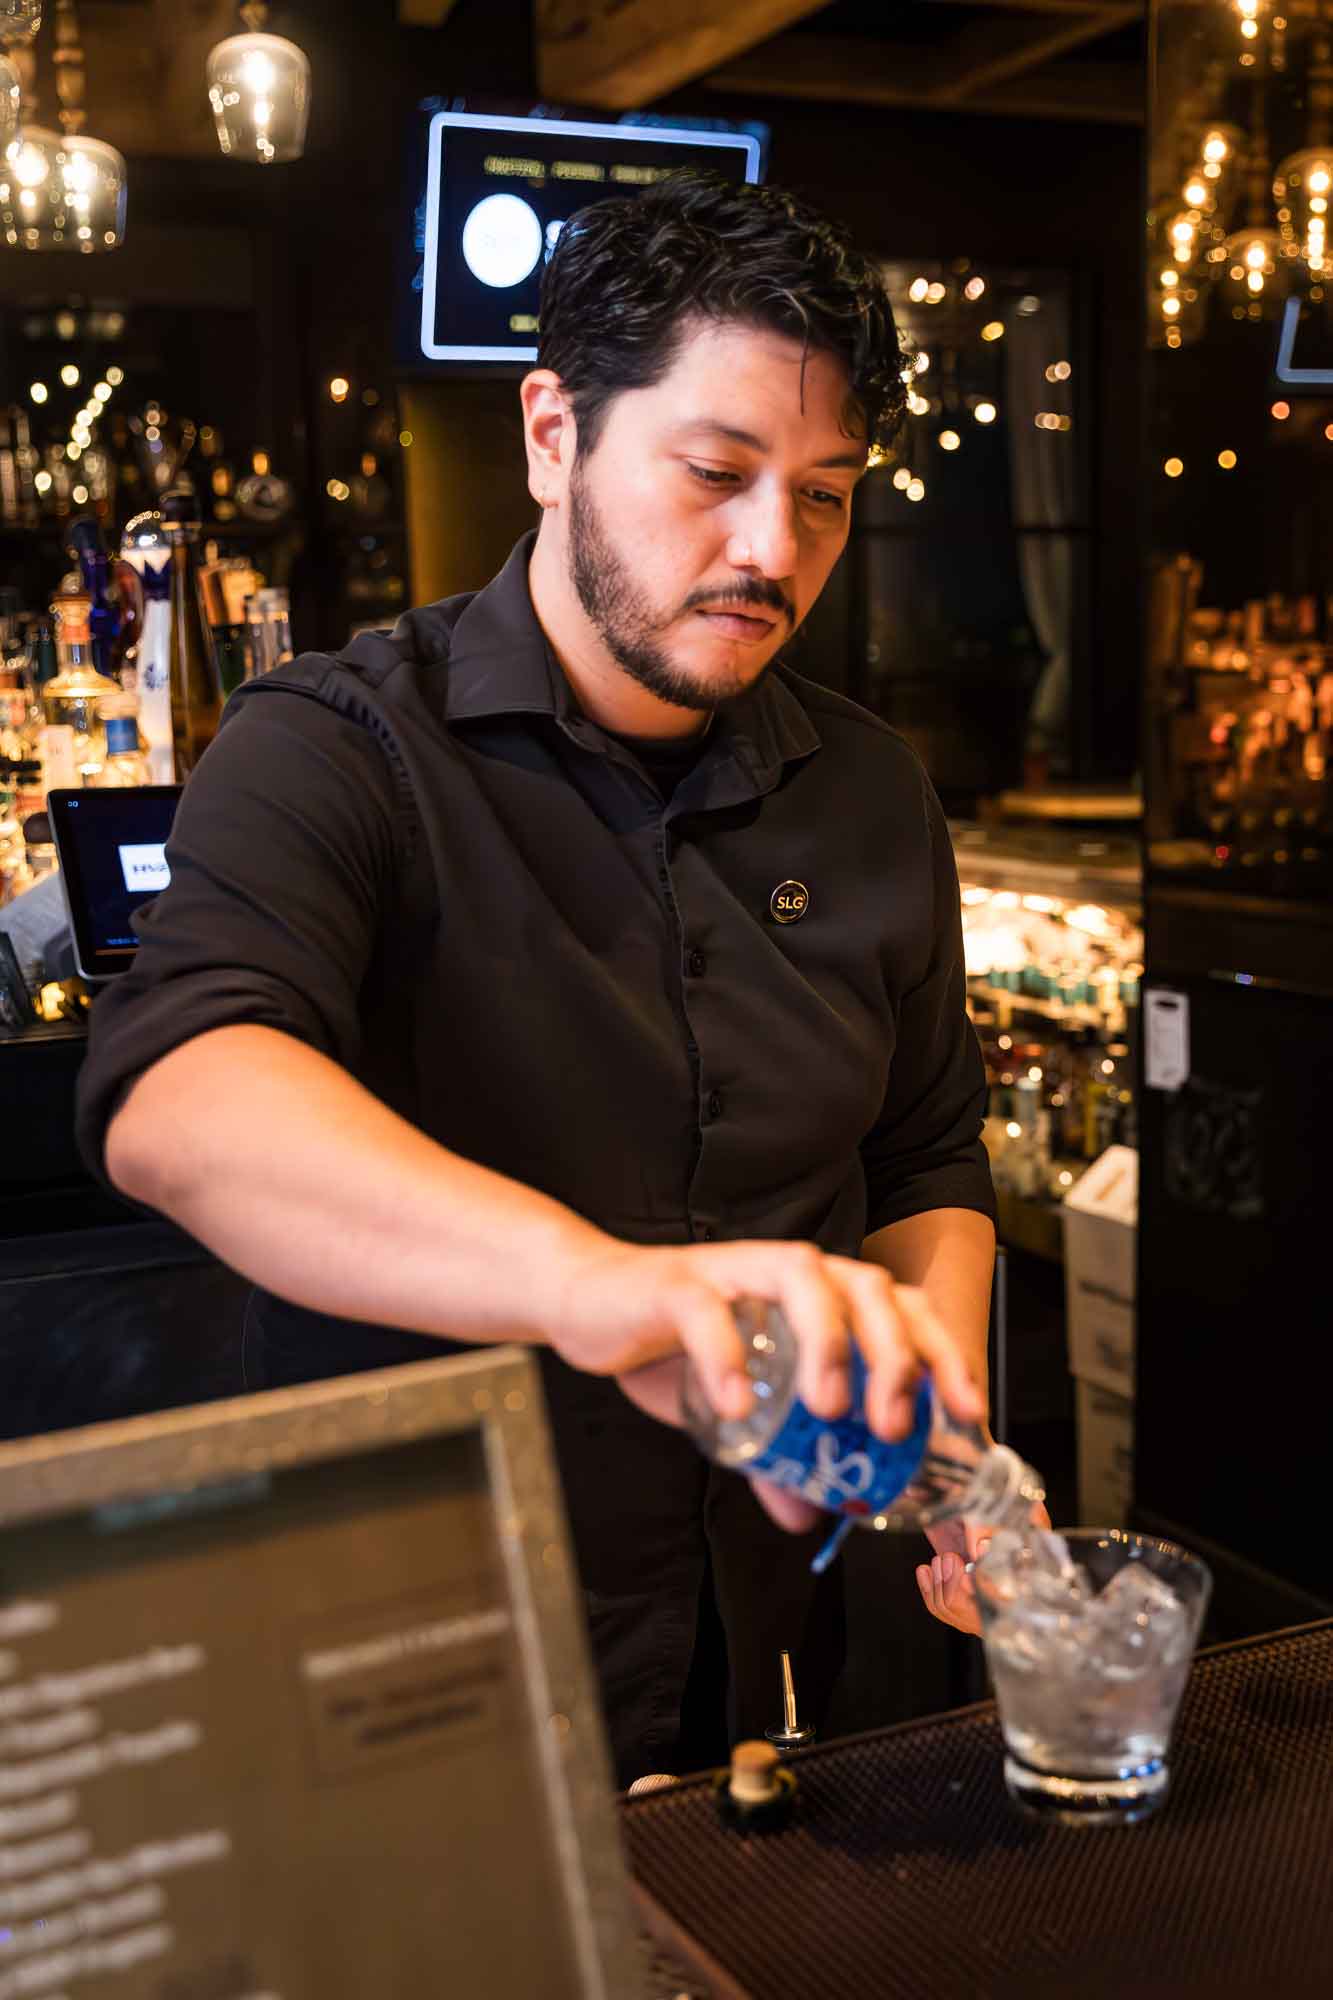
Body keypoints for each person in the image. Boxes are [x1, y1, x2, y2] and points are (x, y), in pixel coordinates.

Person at [77, 171, 998, 1785]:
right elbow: (181, 1093)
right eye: (713, 473)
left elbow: (922, 1153)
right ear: (553, 434)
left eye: (828, 494)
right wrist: (606, 1290)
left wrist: (947, 1425)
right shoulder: (338, 743)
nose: (772, 550)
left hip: (778, 1615)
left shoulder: (869, 791)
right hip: (426, 1624)